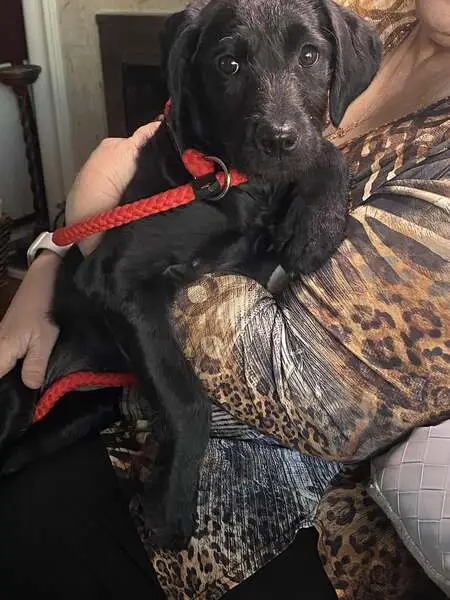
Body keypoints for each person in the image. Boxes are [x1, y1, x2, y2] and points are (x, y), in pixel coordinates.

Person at [0, 0, 449, 598]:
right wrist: (49, 254)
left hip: (269, 473)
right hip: (109, 350)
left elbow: (310, 389)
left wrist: (95, 241)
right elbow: (147, 157)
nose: (279, 120)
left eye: (307, 59)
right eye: (234, 65)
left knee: (32, 520)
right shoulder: (362, 18)